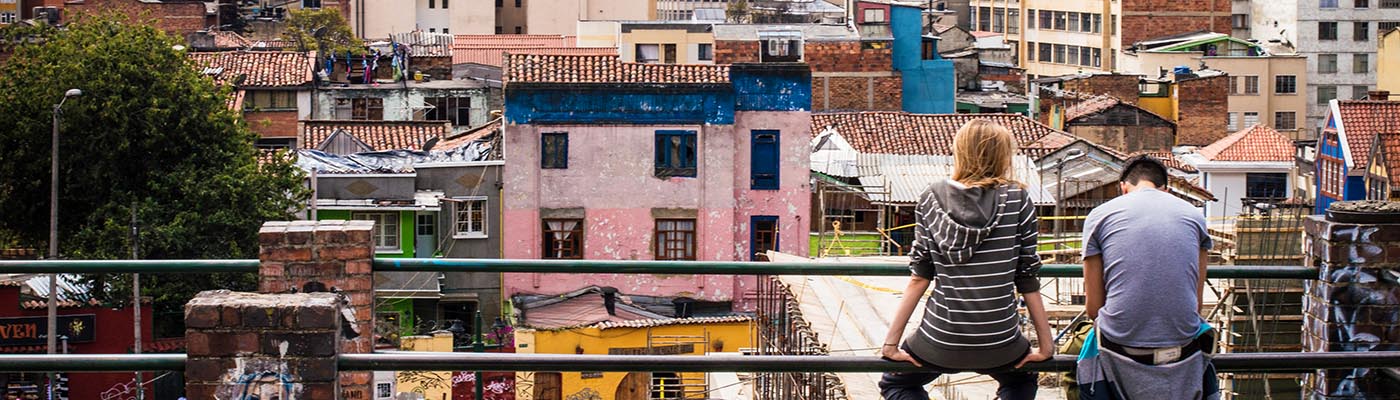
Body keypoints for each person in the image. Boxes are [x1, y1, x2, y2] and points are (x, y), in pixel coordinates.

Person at [879, 119, 1055, 400]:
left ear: (959, 152)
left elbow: (919, 277)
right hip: (1000, 338)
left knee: (896, 384)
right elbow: (1027, 277)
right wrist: (1046, 347)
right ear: (1003, 156)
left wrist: (891, 344)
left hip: (940, 337)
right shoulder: (1018, 199)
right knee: (1020, 382)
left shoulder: (931, 197)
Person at [1077, 155, 1218, 400]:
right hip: (1182, 347)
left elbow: (1093, 309)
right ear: (1165, 188)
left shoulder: (1099, 215)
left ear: (1123, 187)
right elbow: (1195, 304)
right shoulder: (1195, 216)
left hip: (1120, 348)